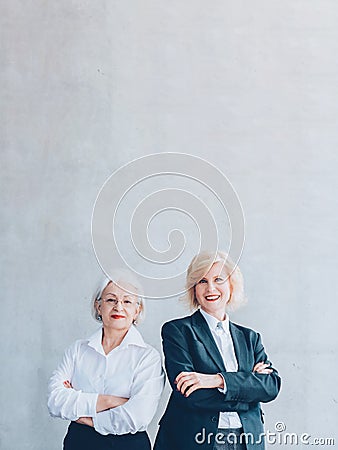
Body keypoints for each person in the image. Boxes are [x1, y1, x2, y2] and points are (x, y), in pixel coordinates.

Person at [154, 251, 281, 450]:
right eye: (202, 281)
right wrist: (248, 390)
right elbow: (191, 395)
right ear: (194, 289)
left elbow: (271, 386)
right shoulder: (177, 331)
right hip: (195, 440)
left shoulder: (250, 338)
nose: (210, 288)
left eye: (218, 279)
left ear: (231, 284)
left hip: (246, 440)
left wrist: (217, 380)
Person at [48, 270, 164, 450]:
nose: (119, 307)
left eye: (127, 301)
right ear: (98, 306)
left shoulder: (148, 357)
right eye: (111, 300)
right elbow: (55, 401)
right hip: (79, 443)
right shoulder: (78, 350)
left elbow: (138, 416)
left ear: (137, 310)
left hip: (128, 445)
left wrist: (83, 414)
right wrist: (111, 401)